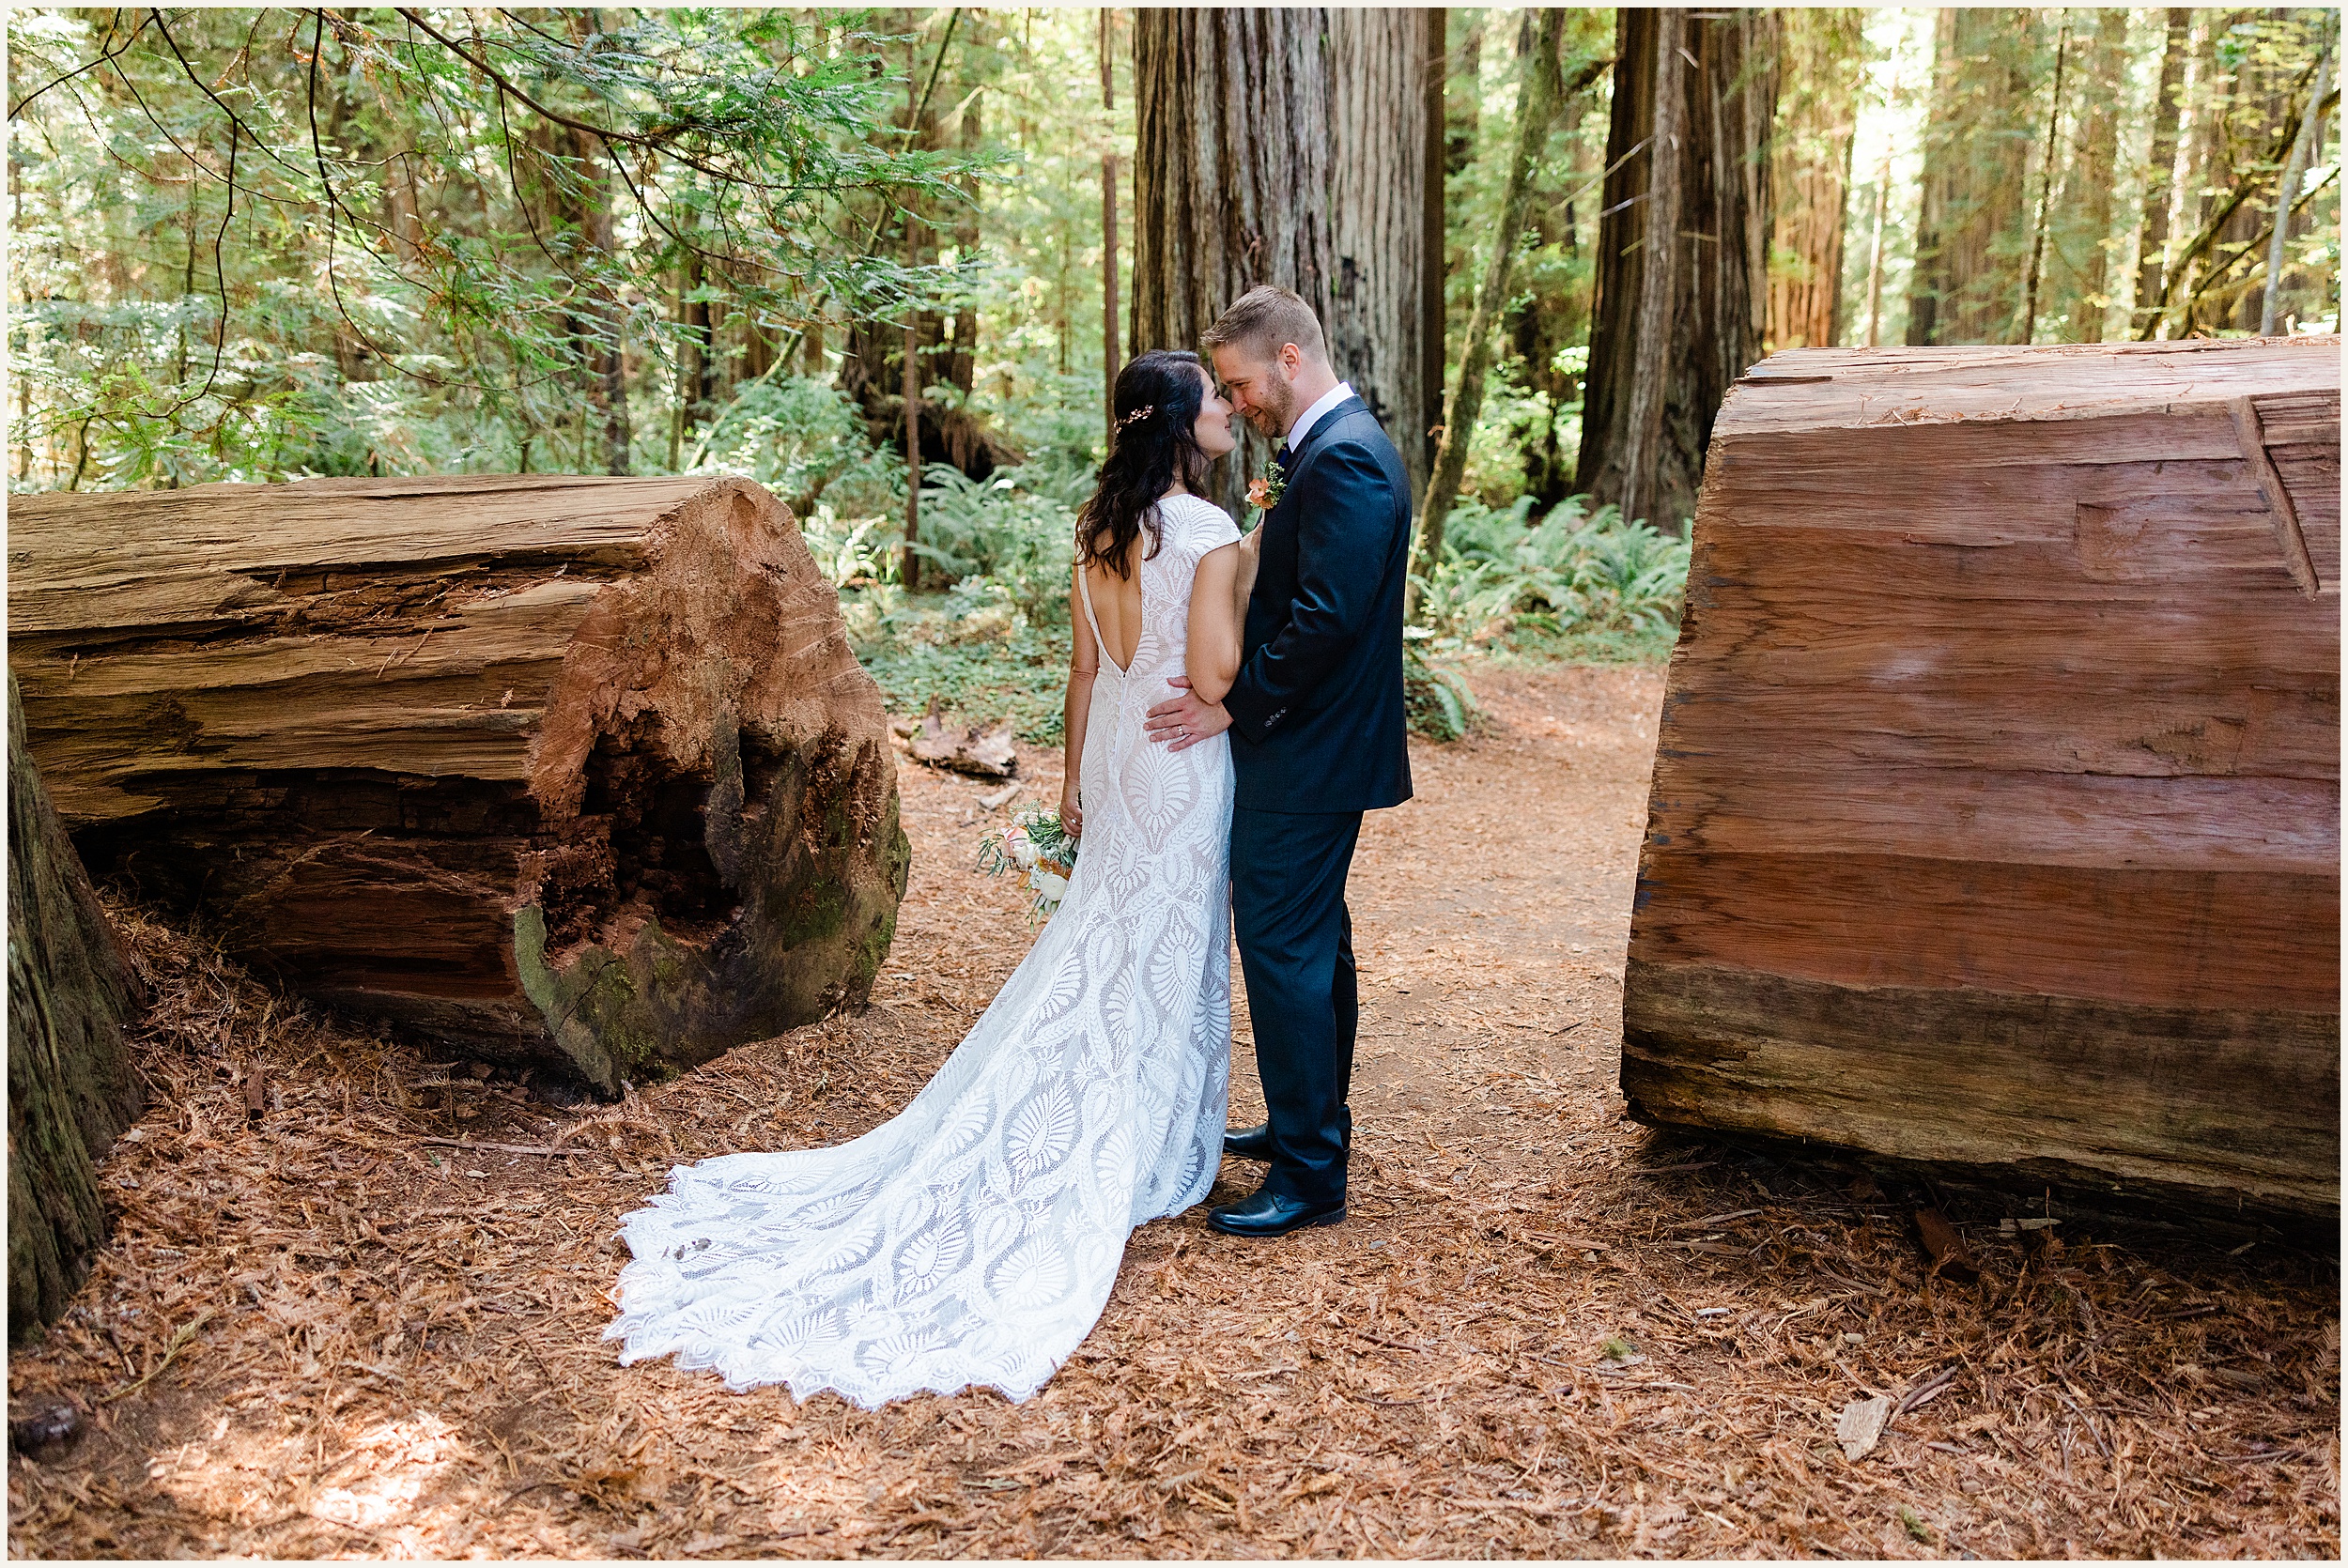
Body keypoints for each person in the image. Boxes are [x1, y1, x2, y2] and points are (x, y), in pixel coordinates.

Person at [605, 350, 1249, 1407]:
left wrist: (1075, 786)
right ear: (1180, 421)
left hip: (1120, 758)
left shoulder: (1094, 532)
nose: (1228, 409)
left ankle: (1121, 1116)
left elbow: (1087, 672)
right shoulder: (1213, 534)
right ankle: (1145, 1137)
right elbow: (1214, 673)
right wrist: (1242, 620)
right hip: (1182, 755)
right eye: (1214, 400)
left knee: (1104, 936)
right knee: (1163, 942)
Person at [1144, 284, 1413, 1239]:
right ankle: (1311, 1125)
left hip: (1306, 749)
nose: (1238, 400)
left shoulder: (1344, 462)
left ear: (1288, 361)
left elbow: (1325, 622)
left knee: (1284, 948)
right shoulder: (1335, 452)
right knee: (1315, 942)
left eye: (1240, 382)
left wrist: (1232, 702)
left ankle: (1310, 1172)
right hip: (1316, 746)